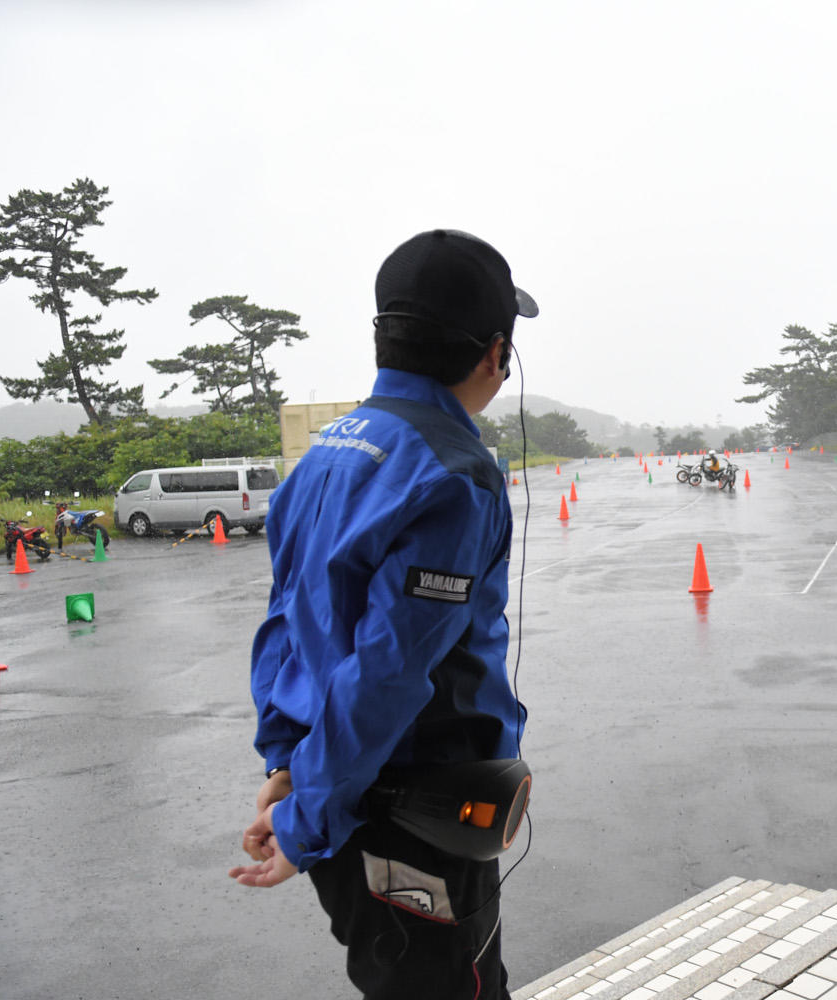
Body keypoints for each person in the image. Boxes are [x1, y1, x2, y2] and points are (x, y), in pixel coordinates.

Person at [230, 229, 537, 1000]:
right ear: (496, 354)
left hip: (334, 789)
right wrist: (305, 818)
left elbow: (283, 628)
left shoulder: (321, 457)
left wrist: (286, 767)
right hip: (415, 807)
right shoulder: (454, 476)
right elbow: (388, 674)